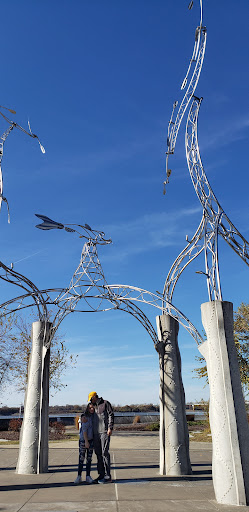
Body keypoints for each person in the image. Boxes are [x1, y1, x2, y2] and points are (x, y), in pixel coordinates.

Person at [88, 391, 114, 483]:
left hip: (104, 432)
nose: (91, 401)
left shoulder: (106, 403)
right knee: (98, 454)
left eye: (91, 399)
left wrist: (110, 428)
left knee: (104, 453)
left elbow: (111, 415)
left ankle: (108, 476)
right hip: (95, 434)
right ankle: (101, 474)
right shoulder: (92, 406)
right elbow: (86, 415)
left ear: (95, 397)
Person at [74, 402, 95, 485]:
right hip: (84, 440)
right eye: (90, 408)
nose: (92, 409)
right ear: (87, 408)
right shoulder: (85, 417)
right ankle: (79, 476)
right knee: (81, 458)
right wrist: (86, 441)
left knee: (89, 459)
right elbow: (84, 430)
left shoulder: (95, 417)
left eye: (93, 407)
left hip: (92, 440)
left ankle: (88, 476)